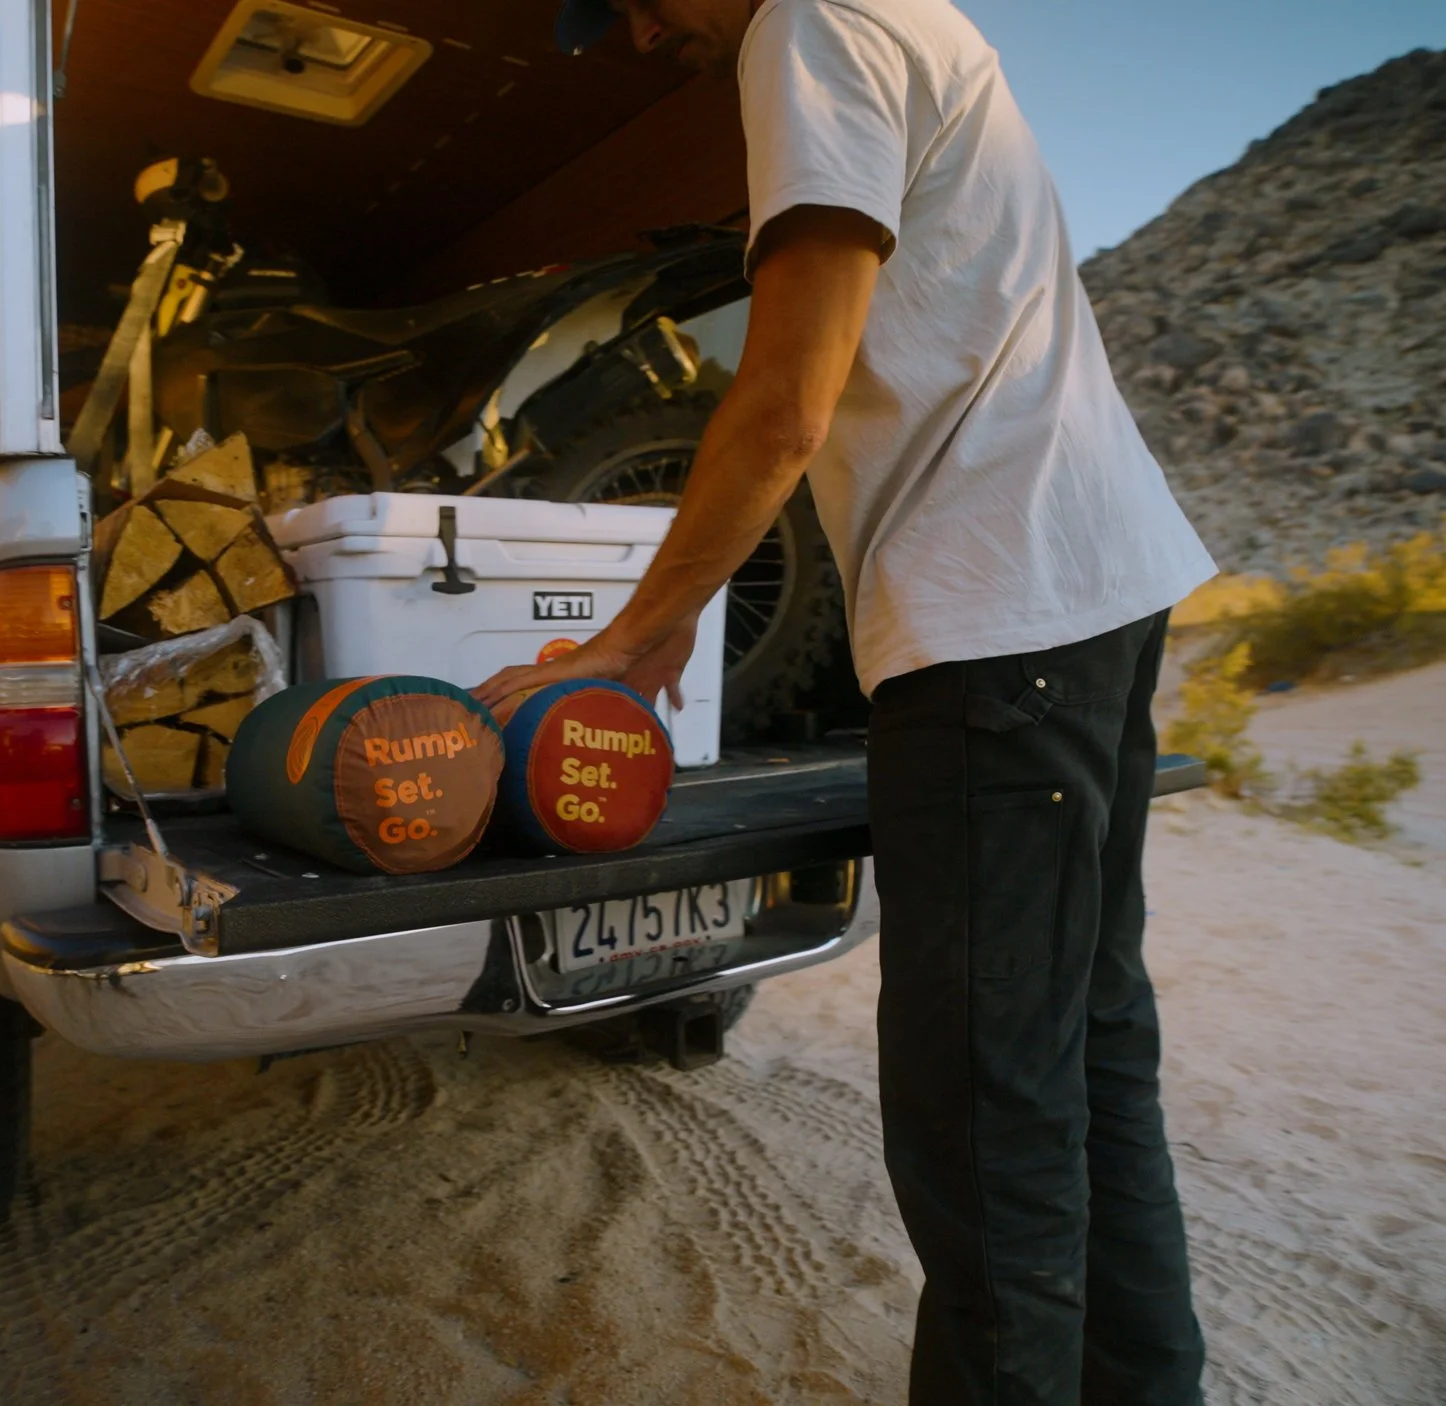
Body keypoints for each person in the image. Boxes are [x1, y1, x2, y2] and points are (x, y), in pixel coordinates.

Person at [476, 2, 1220, 1401]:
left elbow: (785, 401)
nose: (637, 36)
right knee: (1089, 1044)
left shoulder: (804, 27)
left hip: (996, 619)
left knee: (988, 1111)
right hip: (1094, 588)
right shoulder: (908, 14)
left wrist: (636, 635)